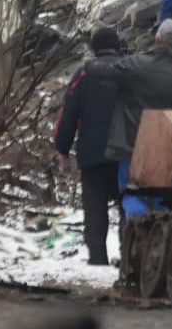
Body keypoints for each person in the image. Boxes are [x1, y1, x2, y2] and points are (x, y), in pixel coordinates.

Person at [53, 27, 133, 266]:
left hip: (93, 154)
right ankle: (129, 258)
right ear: (118, 46)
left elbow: (68, 116)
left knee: (95, 211)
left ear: (94, 49)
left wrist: (62, 149)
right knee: (127, 206)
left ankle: (98, 260)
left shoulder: (82, 75)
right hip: (126, 153)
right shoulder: (130, 72)